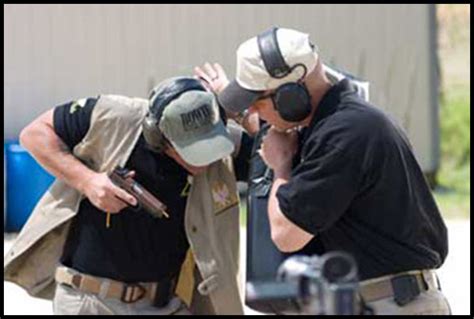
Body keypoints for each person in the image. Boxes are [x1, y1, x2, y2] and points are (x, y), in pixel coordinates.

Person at [216, 26, 451, 315]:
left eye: (257, 102)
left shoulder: (342, 135)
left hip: (389, 304)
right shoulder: (343, 122)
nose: (253, 112)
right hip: (382, 300)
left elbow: (286, 234)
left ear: (291, 95)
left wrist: (281, 167)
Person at [4, 76, 255, 315]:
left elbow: (277, 150)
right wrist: (88, 181)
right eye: (192, 151)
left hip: (165, 304)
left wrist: (240, 110)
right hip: (90, 302)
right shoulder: (115, 116)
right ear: (159, 137)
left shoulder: (222, 139)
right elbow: (34, 134)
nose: (205, 160)